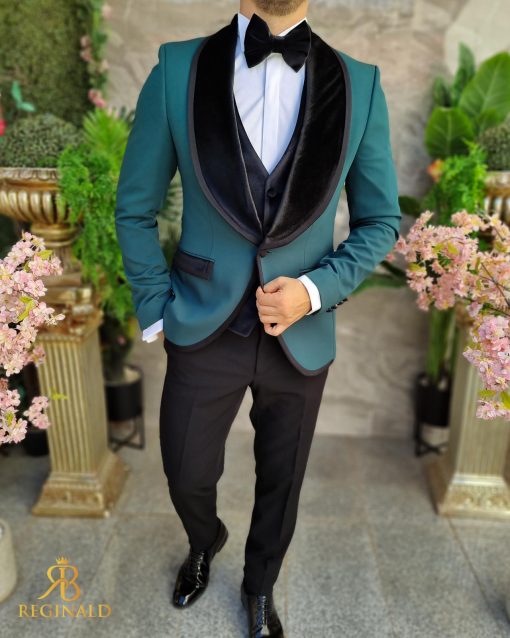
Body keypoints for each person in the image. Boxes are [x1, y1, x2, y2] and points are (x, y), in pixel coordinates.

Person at [115, 0, 401, 635]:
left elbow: (381, 221)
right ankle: (204, 539)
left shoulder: (360, 84)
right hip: (202, 322)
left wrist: (314, 291)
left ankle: (260, 584)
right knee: (186, 471)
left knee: (282, 480)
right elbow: (134, 207)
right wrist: (155, 307)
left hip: (300, 332)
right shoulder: (177, 69)